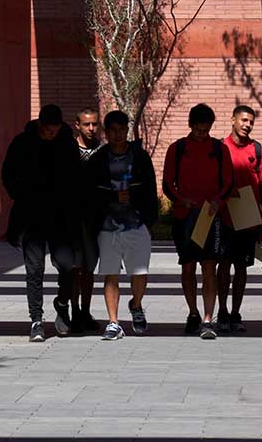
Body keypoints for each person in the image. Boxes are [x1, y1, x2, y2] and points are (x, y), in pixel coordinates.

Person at [1, 103, 85, 342]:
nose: (52, 134)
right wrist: (20, 194)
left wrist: (73, 204)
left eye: (55, 129)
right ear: (40, 124)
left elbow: (76, 176)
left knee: (68, 265)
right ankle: (36, 320)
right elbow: (7, 173)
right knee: (34, 269)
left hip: (60, 217)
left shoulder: (67, 143)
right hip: (31, 217)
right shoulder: (22, 143)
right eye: (48, 129)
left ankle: (61, 303)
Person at [161, 102, 234, 339]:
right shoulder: (178, 148)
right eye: (198, 129)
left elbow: (228, 183)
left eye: (206, 130)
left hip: (209, 217)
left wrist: (217, 202)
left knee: (210, 265)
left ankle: (207, 319)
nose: (202, 134)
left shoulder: (220, 150)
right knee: (188, 266)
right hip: (185, 216)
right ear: (190, 125)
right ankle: (193, 312)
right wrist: (182, 200)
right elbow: (167, 184)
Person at [86, 109, 157, 341]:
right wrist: (110, 200)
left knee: (139, 273)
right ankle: (113, 322)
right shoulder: (98, 159)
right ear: (106, 133)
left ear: (127, 130)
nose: (117, 135)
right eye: (113, 131)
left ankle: (136, 305)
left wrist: (148, 219)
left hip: (136, 224)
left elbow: (149, 190)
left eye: (121, 130)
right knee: (110, 273)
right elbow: (91, 194)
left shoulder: (140, 157)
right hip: (108, 227)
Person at [217, 104, 262, 332]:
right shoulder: (220, 148)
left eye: (251, 122)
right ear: (233, 120)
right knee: (223, 266)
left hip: (248, 216)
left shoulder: (258, 150)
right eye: (243, 120)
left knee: (241, 267)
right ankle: (221, 311)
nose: (247, 125)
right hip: (223, 217)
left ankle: (235, 313)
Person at [71, 106, 103, 331]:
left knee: (89, 268)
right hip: (72, 219)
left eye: (94, 124)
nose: (91, 128)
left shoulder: (103, 151)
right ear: (78, 126)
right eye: (86, 124)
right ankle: (73, 312)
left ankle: (85, 311)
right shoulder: (68, 150)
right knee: (75, 268)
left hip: (95, 220)